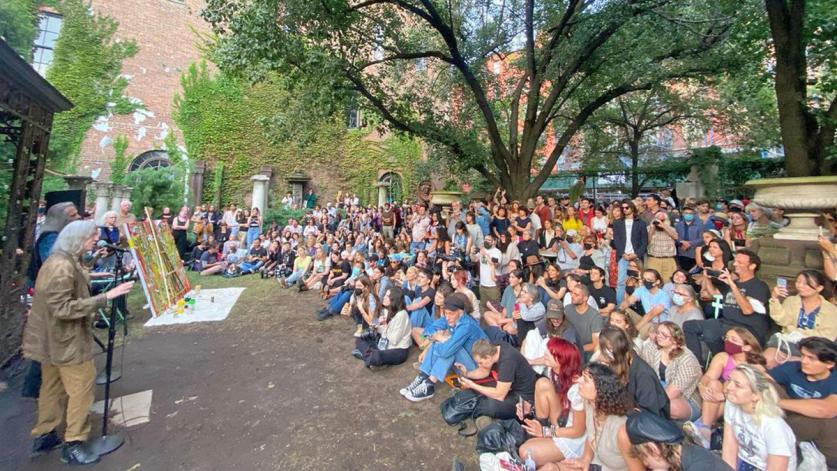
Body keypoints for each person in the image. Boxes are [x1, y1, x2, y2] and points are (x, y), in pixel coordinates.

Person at [23, 220, 134, 465]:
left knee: (51, 388)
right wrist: (106, 296)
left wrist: (93, 264)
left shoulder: (60, 260)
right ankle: (74, 442)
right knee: (82, 386)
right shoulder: (61, 267)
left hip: (51, 341)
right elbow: (63, 308)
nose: (95, 240)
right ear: (77, 239)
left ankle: (45, 434)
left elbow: (72, 280)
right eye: (91, 237)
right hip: (66, 341)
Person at [684, 327, 767, 449]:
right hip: (717, 398)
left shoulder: (756, 367)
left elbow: (754, 393)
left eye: (733, 339)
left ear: (747, 347)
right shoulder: (723, 357)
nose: (728, 341)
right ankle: (706, 429)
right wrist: (702, 386)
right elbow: (708, 377)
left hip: (740, 402)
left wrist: (724, 395)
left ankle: (702, 426)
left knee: (726, 393)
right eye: (727, 338)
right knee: (713, 384)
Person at [684, 249, 771, 361]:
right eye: (735, 261)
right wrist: (707, 278)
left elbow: (747, 310)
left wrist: (733, 285)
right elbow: (715, 294)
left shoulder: (759, 286)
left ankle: (723, 363)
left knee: (710, 333)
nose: (734, 264)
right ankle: (697, 364)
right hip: (725, 322)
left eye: (740, 262)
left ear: (752, 266)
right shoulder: (735, 283)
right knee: (689, 326)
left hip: (745, 328)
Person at [557, 363, 645, 471]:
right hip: (597, 466)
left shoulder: (621, 430)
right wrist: (585, 459)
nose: (578, 380)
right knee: (550, 468)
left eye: (585, 379)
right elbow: (591, 435)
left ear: (600, 390)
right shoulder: (589, 405)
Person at [400, 293, 487, 402]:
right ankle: (422, 377)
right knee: (444, 342)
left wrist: (441, 338)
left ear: (461, 312)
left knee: (450, 346)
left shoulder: (467, 325)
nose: (447, 317)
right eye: (445, 313)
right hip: (461, 362)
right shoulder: (449, 317)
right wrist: (435, 336)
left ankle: (429, 385)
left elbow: (447, 350)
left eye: (451, 313)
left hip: (475, 368)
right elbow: (428, 330)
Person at [517, 338, 586, 468]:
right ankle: (538, 429)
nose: (545, 354)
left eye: (550, 353)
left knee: (525, 452)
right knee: (542, 383)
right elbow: (557, 402)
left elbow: (578, 431)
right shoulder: (553, 372)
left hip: (571, 436)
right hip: (560, 422)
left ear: (561, 360)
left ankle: (550, 452)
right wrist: (529, 408)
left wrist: (546, 432)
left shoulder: (577, 389)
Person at [769, 337, 837, 468]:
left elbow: (826, 410)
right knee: (763, 385)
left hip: (827, 437)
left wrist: (775, 402)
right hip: (791, 419)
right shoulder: (792, 368)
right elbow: (761, 380)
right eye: (803, 356)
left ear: (829, 364)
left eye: (811, 358)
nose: (804, 361)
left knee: (817, 421)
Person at [721, 364, 797, 470]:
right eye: (729, 380)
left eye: (737, 385)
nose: (729, 387)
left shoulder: (773, 425)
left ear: (755, 395)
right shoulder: (732, 403)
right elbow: (729, 447)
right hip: (743, 461)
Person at [765, 269, 837, 368]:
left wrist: (796, 332)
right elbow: (783, 321)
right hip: (790, 344)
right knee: (766, 359)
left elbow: (828, 336)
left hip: (815, 349)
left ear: (819, 288)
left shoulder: (831, 310)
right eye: (798, 282)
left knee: (794, 364)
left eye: (806, 283)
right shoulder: (791, 301)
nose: (800, 286)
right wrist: (774, 299)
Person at [597, 327, 671, 418]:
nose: (602, 354)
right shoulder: (616, 364)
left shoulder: (643, 374)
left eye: (605, 349)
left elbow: (650, 413)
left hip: (646, 422)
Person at [626, 410, 732, 471]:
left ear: (653, 449)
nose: (645, 463)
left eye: (644, 457)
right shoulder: (686, 453)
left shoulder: (698, 466)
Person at [457, 340, 537, 420]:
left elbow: (499, 395)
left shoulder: (507, 361)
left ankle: (481, 415)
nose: (479, 365)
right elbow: (484, 371)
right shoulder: (496, 348)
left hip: (525, 398)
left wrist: (472, 385)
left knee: (490, 405)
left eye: (480, 362)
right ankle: (476, 410)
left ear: (488, 357)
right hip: (510, 388)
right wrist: (467, 374)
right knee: (480, 388)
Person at [637, 322, 702, 420]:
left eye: (664, 335)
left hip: (684, 397)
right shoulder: (650, 347)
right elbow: (641, 373)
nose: (659, 336)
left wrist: (643, 403)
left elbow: (671, 394)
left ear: (676, 340)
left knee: (669, 407)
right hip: (655, 389)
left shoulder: (687, 359)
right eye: (658, 333)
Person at [353, 286, 412, 368]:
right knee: (360, 337)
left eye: (387, 296)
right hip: (384, 345)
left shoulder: (401, 315)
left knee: (376, 355)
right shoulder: (387, 311)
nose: (384, 297)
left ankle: (367, 356)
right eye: (385, 295)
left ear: (394, 299)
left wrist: (385, 324)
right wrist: (377, 327)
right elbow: (384, 332)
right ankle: (369, 357)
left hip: (398, 350)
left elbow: (394, 340)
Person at [521, 300, 579, 375]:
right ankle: (528, 370)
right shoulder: (547, 321)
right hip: (545, 362)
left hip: (563, 365)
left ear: (563, 314)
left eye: (558, 317)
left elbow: (562, 357)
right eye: (552, 317)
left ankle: (533, 373)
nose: (555, 320)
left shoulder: (568, 329)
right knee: (531, 333)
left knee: (548, 342)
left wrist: (532, 362)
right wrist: (523, 359)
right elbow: (526, 340)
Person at [612, 200, 648, 304]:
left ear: (632, 208)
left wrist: (636, 254)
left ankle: (640, 305)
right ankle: (619, 306)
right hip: (623, 256)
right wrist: (623, 253)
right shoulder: (617, 223)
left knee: (641, 281)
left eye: (626, 207)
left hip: (637, 256)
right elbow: (617, 240)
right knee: (621, 282)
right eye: (622, 208)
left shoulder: (641, 223)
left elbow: (644, 241)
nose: (624, 209)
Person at [619, 269, 671, 336]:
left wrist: (635, 329)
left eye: (649, 280)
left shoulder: (664, 296)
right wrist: (620, 310)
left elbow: (651, 314)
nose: (646, 282)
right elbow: (629, 301)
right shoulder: (641, 290)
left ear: (657, 281)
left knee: (642, 332)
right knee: (626, 311)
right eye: (644, 279)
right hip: (645, 318)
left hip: (657, 323)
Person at [563, 284, 603, 361]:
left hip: (585, 352)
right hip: (568, 346)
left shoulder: (595, 316)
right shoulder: (568, 309)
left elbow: (595, 344)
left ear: (585, 298)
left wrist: (575, 349)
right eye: (572, 293)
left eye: (576, 294)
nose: (572, 296)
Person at [645, 210, 678, 282]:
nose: (659, 221)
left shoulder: (671, 228)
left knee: (669, 283)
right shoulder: (649, 228)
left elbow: (675, 237)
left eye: (662, 219)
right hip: (654, 259)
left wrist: (664, 226)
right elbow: (647, 241)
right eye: (657, 219)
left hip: (669, 260)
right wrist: (652, 228)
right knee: (652, 282)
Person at [675, 205, 709, 271]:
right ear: (682, 214)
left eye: (690, 213)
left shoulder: (700, 225)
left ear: (694, 215)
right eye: (686, 213)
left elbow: (702, 238)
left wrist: (689, 243)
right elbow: (675, 237)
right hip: (682, 252)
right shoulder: (678, 225)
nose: (688, 215)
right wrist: (682, 243)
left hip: (694, 253)